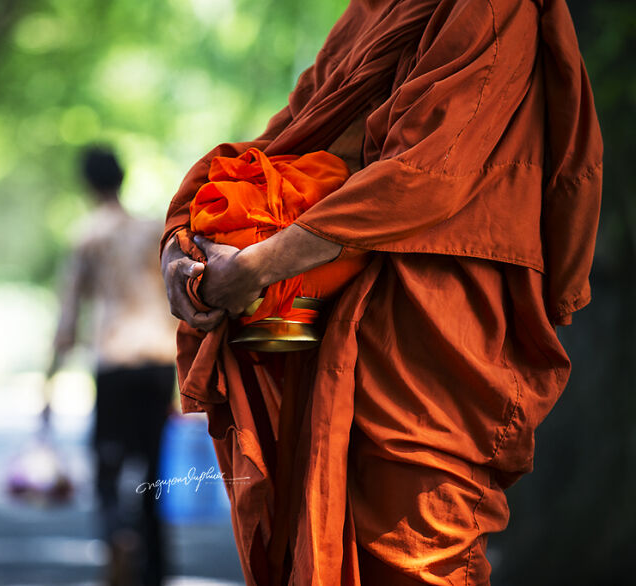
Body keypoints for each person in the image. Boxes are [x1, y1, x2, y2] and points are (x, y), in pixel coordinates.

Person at [160, 1, 601, 585]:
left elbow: (426, 173)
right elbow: (291, 131)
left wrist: (256, 267)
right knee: (320, 536)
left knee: (417, 554)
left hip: (436, 331)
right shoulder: (373, 9)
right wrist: (179, 243)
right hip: (337, 325)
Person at [50, 146, 178, 586]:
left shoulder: (89, 235)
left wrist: (49, 384)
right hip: (162, 362)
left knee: (108, 464)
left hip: (115, 361)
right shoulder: (153, 229)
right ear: (122, 178)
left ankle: (117, 537)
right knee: (154, 471)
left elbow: (68, 317)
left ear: (87, 184)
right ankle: (156, 570)